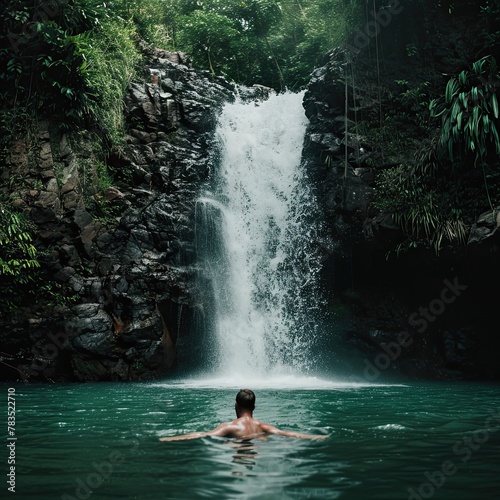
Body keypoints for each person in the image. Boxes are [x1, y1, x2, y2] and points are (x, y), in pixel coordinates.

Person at [159, 389, 329, 442]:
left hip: (238, 452)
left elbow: (203, 435)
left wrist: (171, 439)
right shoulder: (263, 426)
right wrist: (317, 437)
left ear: (236, 405)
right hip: (258, 449)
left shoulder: (230, 427)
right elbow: (289, 434)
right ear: (254, 406)